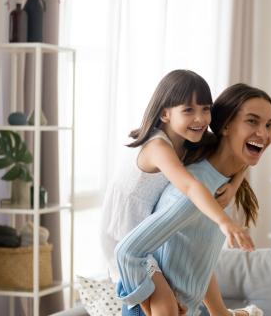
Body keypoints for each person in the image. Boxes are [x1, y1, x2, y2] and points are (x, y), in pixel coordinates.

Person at [100, 70, 255, 315]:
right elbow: (190, 186)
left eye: (206, 109)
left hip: (148, 239)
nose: (201, 118)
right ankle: (145, 303)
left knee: (172, 307)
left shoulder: (188, 142)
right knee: (165, 306)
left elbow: (238, 154)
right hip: (126, 237)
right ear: (164, 113)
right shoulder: (158, 146)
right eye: (188, 110)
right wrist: (224, 221)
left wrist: (234, 185)